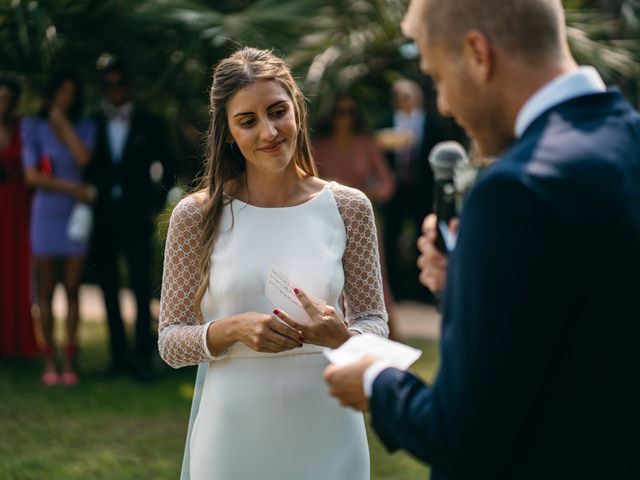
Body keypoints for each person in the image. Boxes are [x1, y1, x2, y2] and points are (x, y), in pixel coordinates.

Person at [324, 0, 640, 479]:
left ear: (477, 53)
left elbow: (462, 434)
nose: (445, 104)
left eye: (437, 77)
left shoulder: (516, 190)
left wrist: (374, 382)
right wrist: (467, 283)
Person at [158, 47, 388, 480]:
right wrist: (233, 329)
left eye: (278, 111)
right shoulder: (197, 215)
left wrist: (344, 336)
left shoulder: (348, 207)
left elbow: (375, 320)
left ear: (296, 109)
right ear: (227, 133)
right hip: (233, 431)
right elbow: (170, 341)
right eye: (248, 121)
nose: (269, 131)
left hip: (329, 424)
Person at [86, 59, 176, 380]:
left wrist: (156, 204)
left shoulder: (150, 123)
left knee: (140, 287)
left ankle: (142, 355)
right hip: (102, 218)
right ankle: (117, 356)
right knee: (108, 287)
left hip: (138, 218)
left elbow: (168, 165)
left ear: (130, 86)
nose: (115, 90)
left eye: (119, 83)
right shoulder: (92, 123)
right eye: (108, 85)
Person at [22, 69, 96, 386]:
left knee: (72, 288)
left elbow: (83, 159)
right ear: (51, 93)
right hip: (46, 213)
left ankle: (71, 357)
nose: (66, 97)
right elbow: (32, 176)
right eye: (61, 91)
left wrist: (63, 124)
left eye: (71, 92)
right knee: (46, 290)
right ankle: (48, 357)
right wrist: (73, 189)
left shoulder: (86, 126)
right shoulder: (32, 127)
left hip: (75, 216)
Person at [313, 92, 399, 338]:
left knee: (374, 278)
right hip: (325, 218)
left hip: (361, 218)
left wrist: (369, 194)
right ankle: (333, 331)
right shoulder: (319, 146)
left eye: (350, 112)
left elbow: (386, 182)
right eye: (340, 112)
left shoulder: (365, 143)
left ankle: (380, 335)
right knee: (329, 275)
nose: (345, 118)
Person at [380, 79, 464, 302]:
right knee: (390, 239)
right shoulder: (387, 122)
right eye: (399, 96)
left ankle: (425, 292)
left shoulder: (432, 124)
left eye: (407, 95)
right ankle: (394, 292)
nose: (403, 100)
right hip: (396, 191)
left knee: (425, 236)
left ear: (416, 97)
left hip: (422, 191)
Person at [0, 77, 39, 359]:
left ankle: (17, 340)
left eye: (6, 98)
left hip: (17, 202)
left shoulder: (22, 127)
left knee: (16, 267)